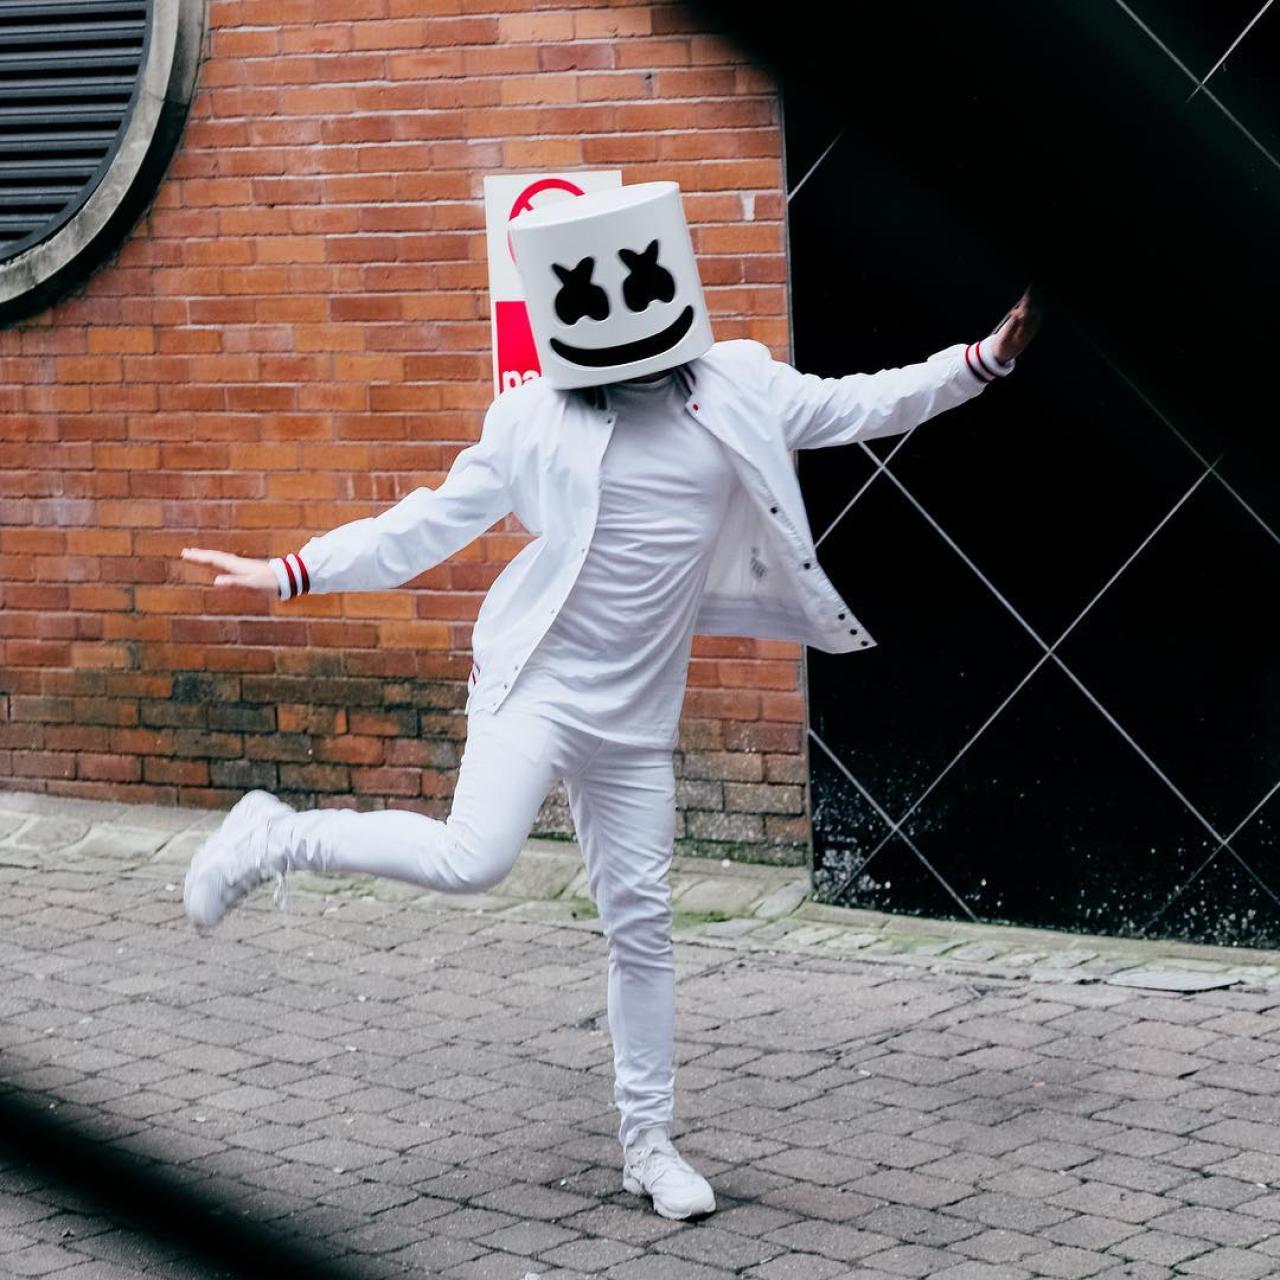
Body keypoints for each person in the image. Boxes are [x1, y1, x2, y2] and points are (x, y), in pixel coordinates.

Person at [178, 182, 1041, 1220]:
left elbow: (860, 403)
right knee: (472, 859)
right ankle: (274, 836)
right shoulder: (531, 418)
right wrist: (294, 571)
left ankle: (648, 1144)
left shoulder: (737, 384)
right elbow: (427, 523)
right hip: (539, 688)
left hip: (636, 716)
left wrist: (981, 362)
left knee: (642, 926)